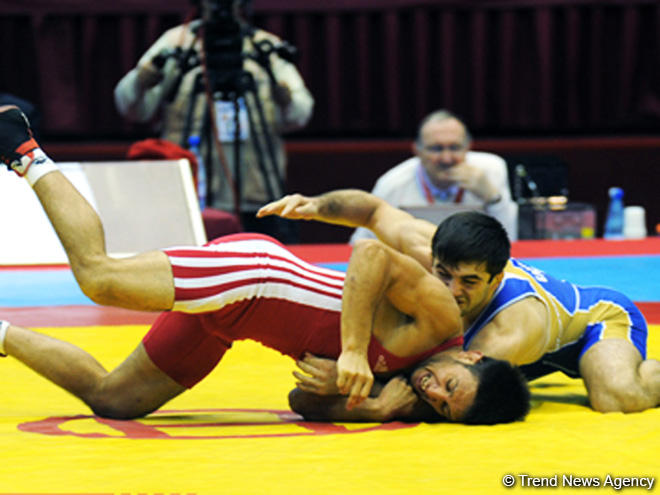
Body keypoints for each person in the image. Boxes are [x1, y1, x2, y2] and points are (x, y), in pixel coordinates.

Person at [0, 105, 529, 425]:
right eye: (448, 388)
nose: (433, 393)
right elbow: (370, 252)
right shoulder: (441, 321)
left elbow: (300, 398)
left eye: (441, 408)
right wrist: (352, 352)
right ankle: (23, 148)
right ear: (473, 357)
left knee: (113, 400)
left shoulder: (404, 395)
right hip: (253, 277)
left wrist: (372, 408)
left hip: (232, 318)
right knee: (99, 278)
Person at [259, 189, 660, 414]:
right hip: (526, 347)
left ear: (496, 278)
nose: (452, 291)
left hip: (596, 323)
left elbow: (432, 391)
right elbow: (373, 210)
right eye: (444, 275)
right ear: (435, 258)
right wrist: (315, 207)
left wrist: (358, 389)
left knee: (615, 398)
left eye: (470, 282)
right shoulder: (431, 248)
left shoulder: (507, 332)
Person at [114, 0, 314, 241]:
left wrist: (283, 97)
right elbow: (132, 107)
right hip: (190, 194)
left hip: (256, 193)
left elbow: (301, 112)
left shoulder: (262, 46)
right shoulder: (177, 43)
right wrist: (142, 81)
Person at [350, 109, 518, 243]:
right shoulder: (393, 183)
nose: (446, 158)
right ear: (417, 151)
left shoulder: (491, 170)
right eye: (436, 149)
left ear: (468, 146)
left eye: (455, 148)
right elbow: (360, 242)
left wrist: (493, 199)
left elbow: (510, 239)